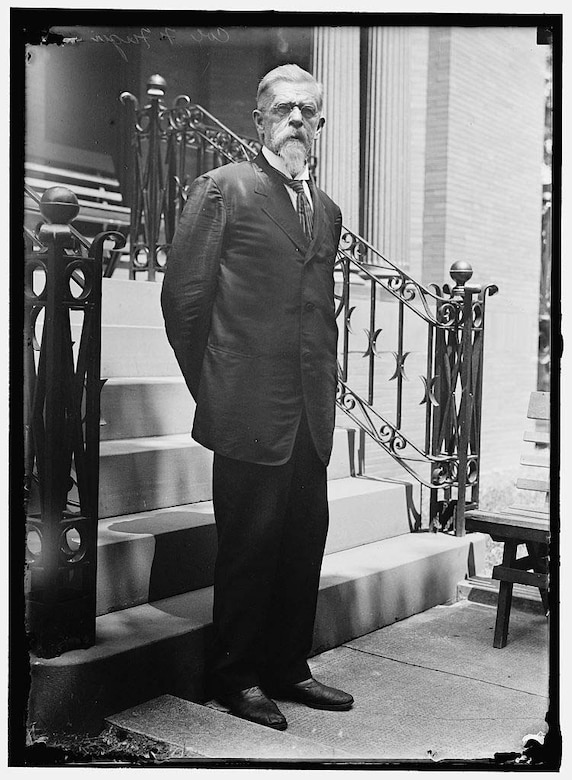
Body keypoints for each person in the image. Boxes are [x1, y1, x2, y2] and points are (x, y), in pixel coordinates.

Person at [161, 64, 353, 731]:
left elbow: (320, 312)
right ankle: (235, 673)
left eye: (308, 110)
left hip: (309, 411)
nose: (296, 118)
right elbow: (184, 302)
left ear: (321, 124)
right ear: (259, 120)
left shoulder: (326, 210)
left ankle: (287, 666)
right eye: (283, 108)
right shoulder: (224, 189)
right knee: (249, 545)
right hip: (247, 408)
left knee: (304, 540)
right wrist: (216, 384)